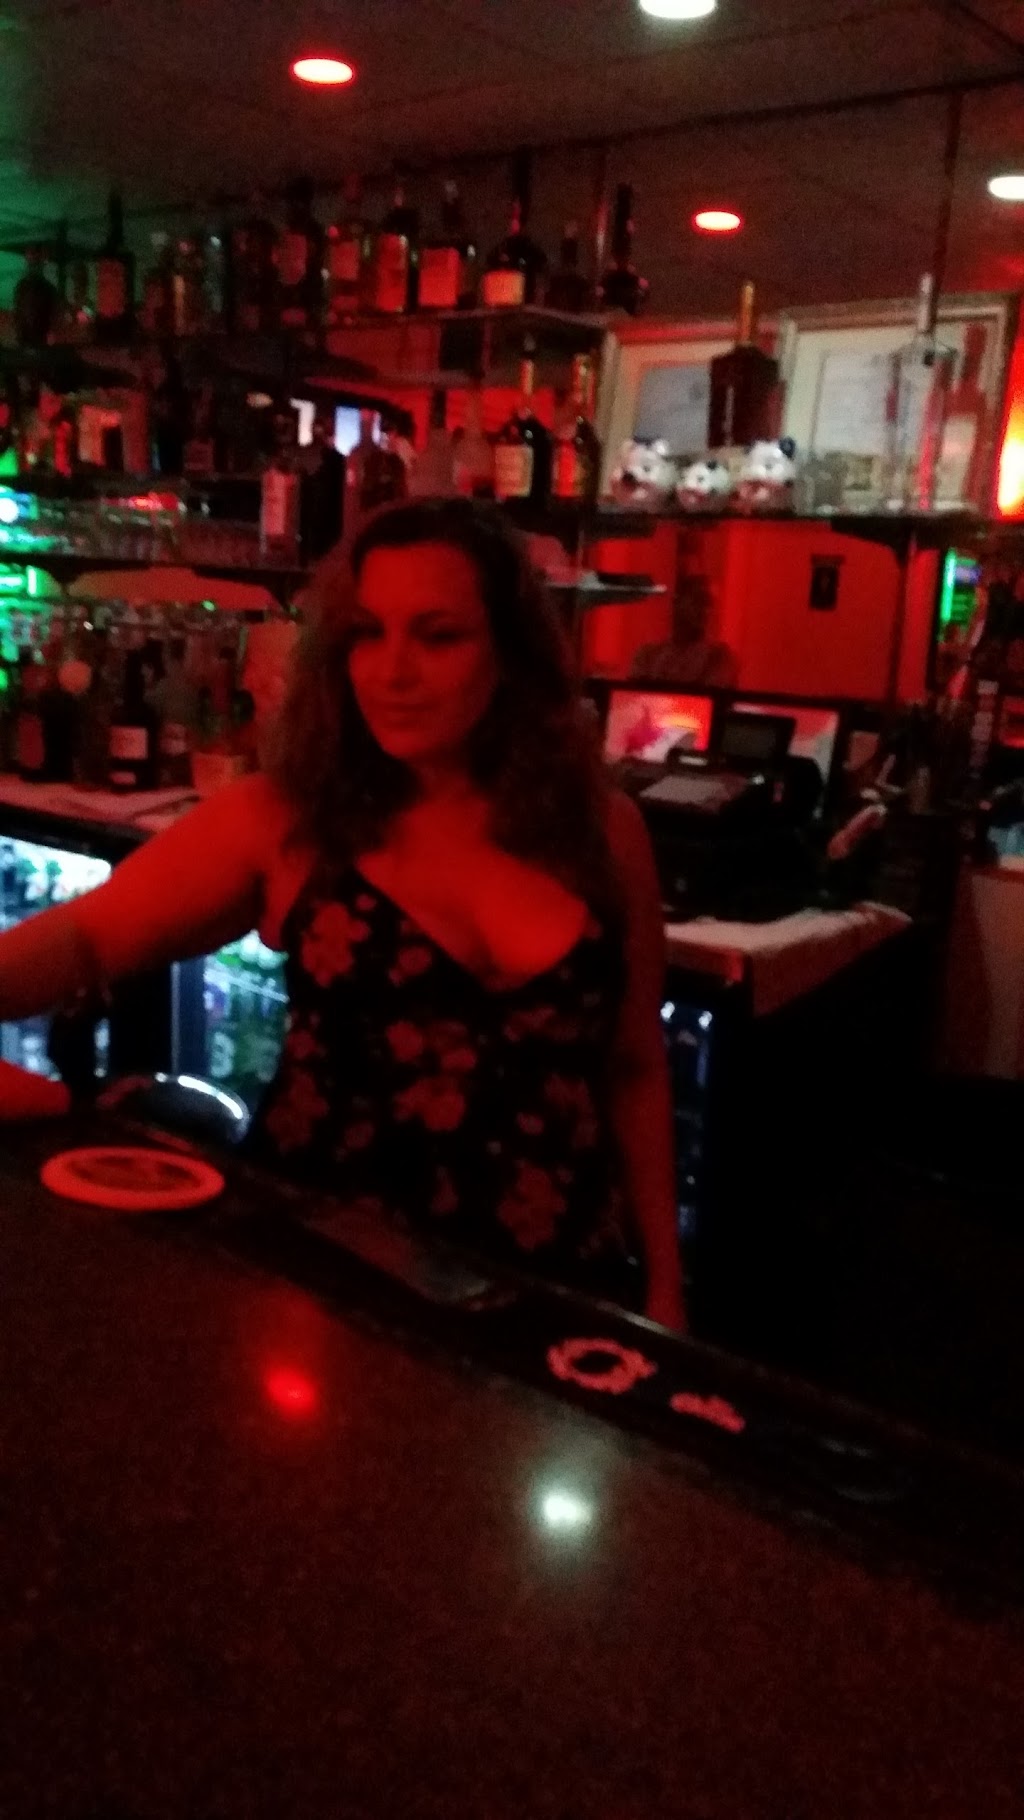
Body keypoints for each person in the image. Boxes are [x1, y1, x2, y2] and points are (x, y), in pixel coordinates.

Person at [0, 500, 685, 1331]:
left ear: (510, 652)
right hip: (325, 1294)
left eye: (438, 636)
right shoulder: (290, 817)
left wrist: (665, 1291)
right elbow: (85, 936)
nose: (392, 671)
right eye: (367, 633)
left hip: (560, 1292)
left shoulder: (605, 830)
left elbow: (634, 1069)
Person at [630, 574, 738, 691]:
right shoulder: (648, 655)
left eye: (709, 604)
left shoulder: (718, 657)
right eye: (698, 600)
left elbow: (708, 696)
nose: (705, 609)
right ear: (677, 602)